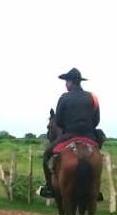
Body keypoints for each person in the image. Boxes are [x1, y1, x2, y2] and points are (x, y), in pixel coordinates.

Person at [38, 68, 102, 198]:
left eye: (66, 81)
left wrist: (68, 128)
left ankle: (49, 187)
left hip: (70, 134)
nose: (65, 84)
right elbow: (97, 120)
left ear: (71, 82)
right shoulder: (92, 97)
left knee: (46, 155)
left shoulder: (64, 98)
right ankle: (96, 189)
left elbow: (59, 121)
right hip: (89, 135)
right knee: (98, 149)